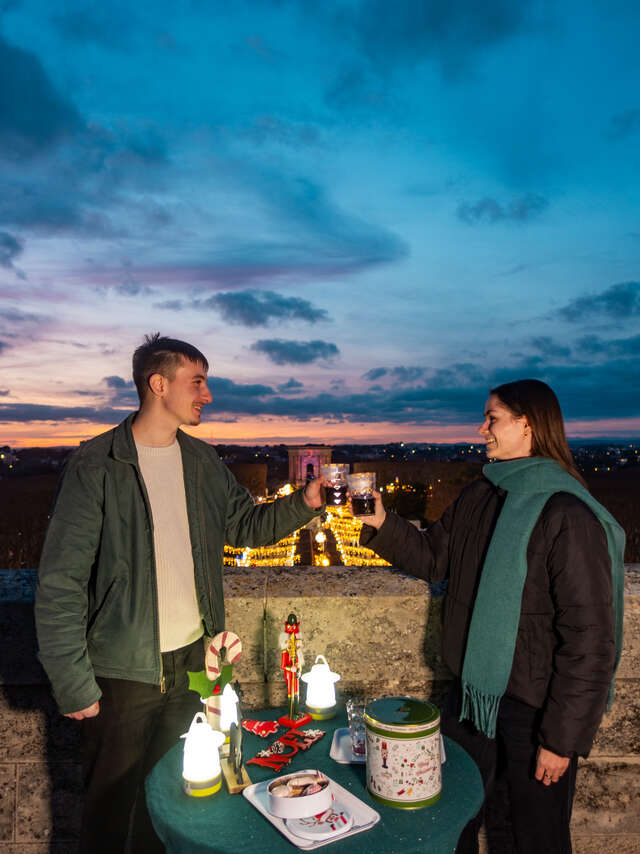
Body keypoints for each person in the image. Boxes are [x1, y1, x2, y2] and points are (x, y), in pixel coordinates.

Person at [35, 333, 324, 854]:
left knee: (169, 802)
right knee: (107, 810)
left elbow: (246, 527)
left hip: (195, 665)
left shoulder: (202, 461)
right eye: (198, 382)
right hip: (122, 674)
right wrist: (72, 682)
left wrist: (306, 501)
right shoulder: (96, 464)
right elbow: (60, 582)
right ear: (158, 384)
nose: (207, 395)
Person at [358, 379, 625, 854]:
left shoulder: (566, 513)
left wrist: (560, 741)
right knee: (453, 822)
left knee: (533, 838)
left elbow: (589, 639)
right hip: (473, 704)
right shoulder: (482, 494)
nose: (481, 428)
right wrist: (381, 521)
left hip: (535, 714)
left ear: (527, 425)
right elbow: (433, 558)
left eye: (492, 418)